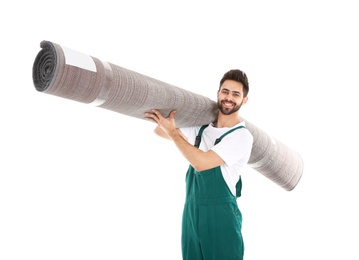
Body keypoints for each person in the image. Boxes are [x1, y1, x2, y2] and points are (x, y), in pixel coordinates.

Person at [145, 69, 253, 260]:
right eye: (225, 91)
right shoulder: (201, 129)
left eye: (236, 94)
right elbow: (160, 132)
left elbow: (201, 163)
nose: (229, 97)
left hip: (221, 219)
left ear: (244, 100)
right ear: (218, 93)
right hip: (191, 214)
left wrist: (173, 132)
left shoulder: (241, 136)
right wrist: (179, 117)